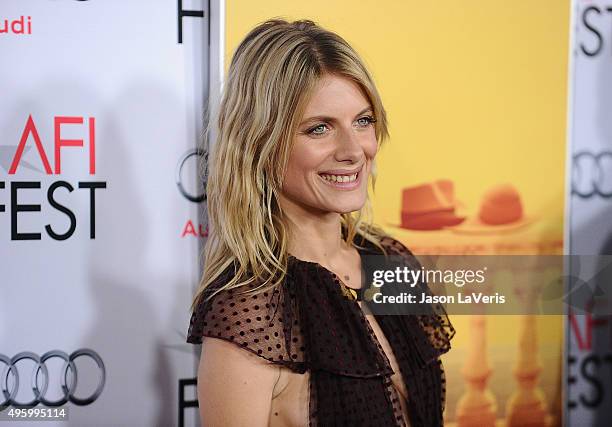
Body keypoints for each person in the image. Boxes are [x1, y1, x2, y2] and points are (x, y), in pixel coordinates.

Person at [187, 18, 455, 427]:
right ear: (261, 144)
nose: (353, 150)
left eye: (362, 121)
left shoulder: (390, 260)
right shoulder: (251, 312)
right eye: (320, 128)